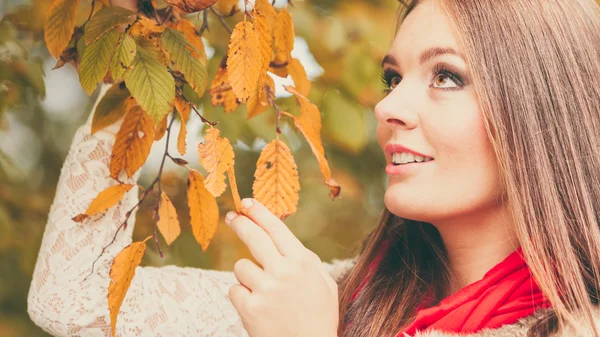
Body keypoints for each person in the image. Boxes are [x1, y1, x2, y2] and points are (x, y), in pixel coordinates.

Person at [27, 0, 600, 336]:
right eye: (393, 78)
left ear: (544, 110)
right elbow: (73, 300)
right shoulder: (342, 298)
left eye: (446, 76)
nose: (388, 106)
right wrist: (145, 38)